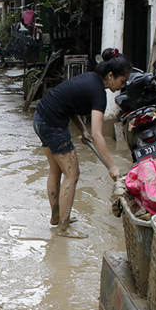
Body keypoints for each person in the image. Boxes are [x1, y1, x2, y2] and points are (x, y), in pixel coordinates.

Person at [33, 48, 131, 238]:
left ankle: (57, 218)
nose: (122, 86)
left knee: (56, 171)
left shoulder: (91, 80)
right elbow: (98, 135)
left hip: (41, 117)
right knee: (73, 174)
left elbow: (70, 107)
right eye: (122, 81)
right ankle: (63, 227)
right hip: (53, 125)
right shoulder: (98, 94)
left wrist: (83, 131)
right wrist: (112, 167)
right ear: (110, 76)